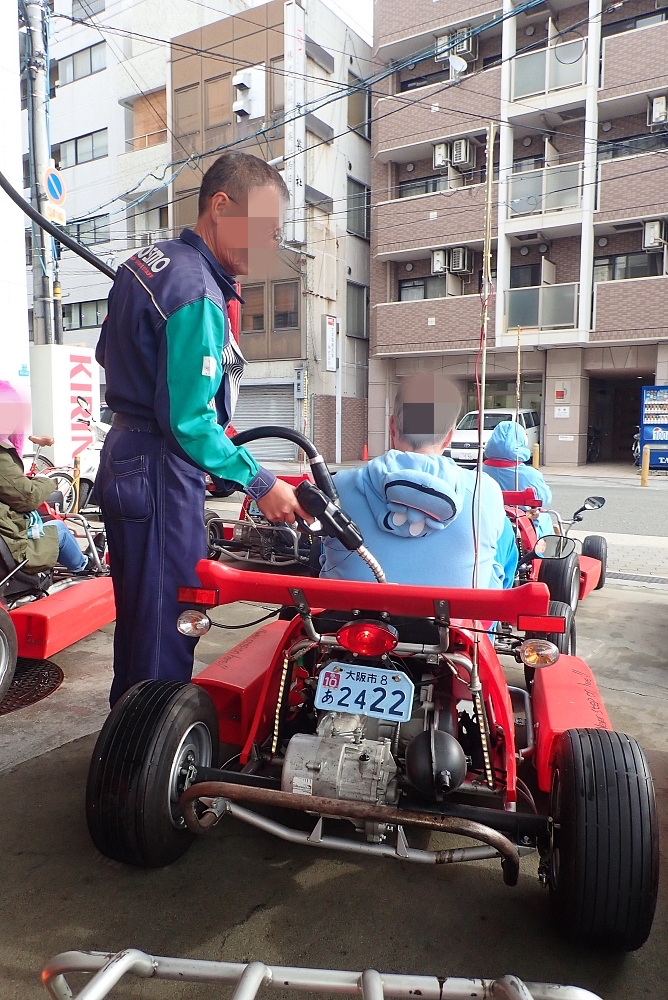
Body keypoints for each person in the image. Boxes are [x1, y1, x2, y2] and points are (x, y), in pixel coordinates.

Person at [96, 152, 309, 706]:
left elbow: (109, 355)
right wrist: (261, 484)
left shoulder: (147, 265)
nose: (268, 246)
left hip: (125, 457)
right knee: (170, 624)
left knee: (140, 620)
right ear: (222, 206)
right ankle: (148, 768)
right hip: (160, 470)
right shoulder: (196, 292)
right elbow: (189, 421)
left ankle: (129, 743)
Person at [320, 373, 518, 589]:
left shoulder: (338, 486)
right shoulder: (484, 489)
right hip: (458, 620)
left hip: (346, 618)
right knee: (503, 543)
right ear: (449, 436)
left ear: (392, 427)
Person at [0, 381, 94, 575]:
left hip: (7, 531)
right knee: (58, 528)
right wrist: (48, 481)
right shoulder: (1, 457)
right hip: (10, 543)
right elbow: (28, 497)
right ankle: (84, 566)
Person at [483, 421, 553, 538]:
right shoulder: (531, 475)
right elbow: (545, 499)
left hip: (487, 525)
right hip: (524, 530)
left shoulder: (477, 472)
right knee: (545, 518)